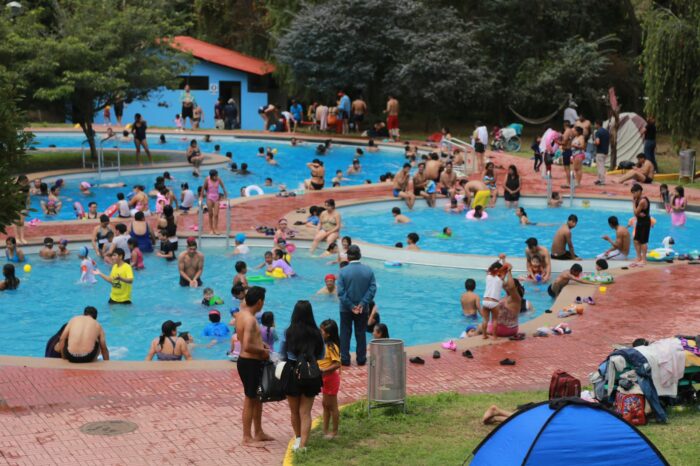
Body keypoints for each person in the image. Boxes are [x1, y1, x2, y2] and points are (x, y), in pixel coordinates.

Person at [281, 300, 324, 451]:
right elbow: (321, 355)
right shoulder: (317, 333)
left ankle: (298, 439)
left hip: (292, 373)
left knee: (294, 411)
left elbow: (288, 355)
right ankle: (304, 445)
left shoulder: (289, 332)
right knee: (305, 412)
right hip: (311, 374)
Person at [236, 286, 274, 447]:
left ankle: (258, 432)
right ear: (259, 302)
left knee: (258, 398)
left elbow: (242, 337)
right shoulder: (251, 320)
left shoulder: (241, 314)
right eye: (263, 301)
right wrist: (264, 351)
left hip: (249, 362)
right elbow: (246, 346)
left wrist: (261, 343)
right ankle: (246, 436)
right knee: (250, 399)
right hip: (250, 362)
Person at [337, 245, 376, 366]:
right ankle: (361, 359)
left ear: (348, 257)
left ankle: (345, 359)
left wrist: (351, 306)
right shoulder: (368, 270)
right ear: (360, 255)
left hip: (345, 309)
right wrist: (362, 304)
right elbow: (372, 288)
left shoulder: (342, 272)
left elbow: (341, 293)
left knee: (345, 333)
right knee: (361, 333)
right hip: (362, 309)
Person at [319, 319, 341, 439]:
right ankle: (325, 430)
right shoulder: (323, 345)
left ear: (328, 334)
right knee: (325, 405)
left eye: (321, 331)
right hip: (324, 379)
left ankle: (334, 432)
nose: (319, 332)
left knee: (332, 406)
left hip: (331, 379)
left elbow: (337, 364)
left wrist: (324, 370)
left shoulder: (332, 347)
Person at [489, 267, 522, 338]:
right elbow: (502, 284)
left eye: (508, 285)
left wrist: (509, 272)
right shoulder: (506, 297)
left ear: (515, 288)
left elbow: (510, 287)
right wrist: (503, 274)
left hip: (506, 329)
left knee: (479, 328)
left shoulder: (515, 298)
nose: (506, 286)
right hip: (506, 329)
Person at [201, 169, 227, 235]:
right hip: (209, 198)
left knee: (216, 214)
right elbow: (203, 188)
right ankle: (211, 229)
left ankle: (216, 229)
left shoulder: (218, 179)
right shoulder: (207, 179)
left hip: (216, 198)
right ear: (211, 176)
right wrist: (201, 197)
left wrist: (225, 195)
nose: (216, 177)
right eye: (214, 176)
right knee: (210, 214)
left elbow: (223, 187)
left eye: (216, 175)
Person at [481, 261, 503, 339]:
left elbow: (489, 269)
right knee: (494, 320)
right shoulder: (500, 278)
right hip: (494, 302)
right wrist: (503, 260)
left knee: (485, 319)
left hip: (485, 300)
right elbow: (505, 269)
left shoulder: (488, 276)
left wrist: (496, 261)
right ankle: (494, 336)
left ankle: (484, 335)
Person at [630, 183, 651, 267]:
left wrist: (633, 203)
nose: (633, 195)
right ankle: (639, 257)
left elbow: (635, 212)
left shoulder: (642, 201)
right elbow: (637, 213)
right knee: (635, 240)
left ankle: (644, 260)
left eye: (634, 192)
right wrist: (638, 214)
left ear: (639, 191)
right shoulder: (638, 199)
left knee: (643, 241)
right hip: (640, 222)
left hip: (645, 223)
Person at [593, 120, 610, 185]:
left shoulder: (598, 132)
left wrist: (594, 142)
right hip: (605, 151)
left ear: (597, 124)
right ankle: (599, 179)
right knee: (601, 166)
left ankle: (602, 181)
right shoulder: (606, 132)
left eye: (595, 124)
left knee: (600, 166)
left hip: (600, 151)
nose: (594, 126)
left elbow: (597, 142)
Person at [559, 121, 574, 187]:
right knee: (569, 167)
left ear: (564, 125)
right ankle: (572, 181)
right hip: (570, 149)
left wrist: (557, 142)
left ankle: (568, 183)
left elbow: (564, 142)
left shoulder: (567, 132)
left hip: (566, 150)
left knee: (566, 168)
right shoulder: (571, 131)